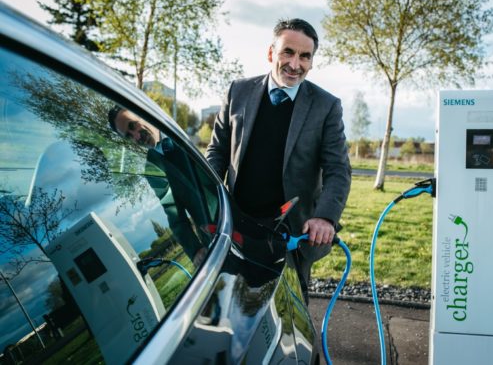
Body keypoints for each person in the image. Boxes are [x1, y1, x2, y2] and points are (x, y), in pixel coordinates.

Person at [205, 18, 351, 301]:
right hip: (235, 224)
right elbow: (217, 153)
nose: (295, 64)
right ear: (271, 53)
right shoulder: (238, 91)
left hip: (291, 234)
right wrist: (206, 198)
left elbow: (338, 169)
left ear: (311, 61)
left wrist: (324, 217)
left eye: (304, 56)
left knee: (288, 314)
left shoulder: (326, 106)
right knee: (227, 304)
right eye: (288, 52)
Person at [107, 107, 207, 267]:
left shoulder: (178, 128)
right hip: (214, 234)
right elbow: (174, 214)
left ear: (141, 113)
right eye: (129, 136)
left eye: (133, 126)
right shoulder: (152, 169)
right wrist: (195, 251)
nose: (137, 136)